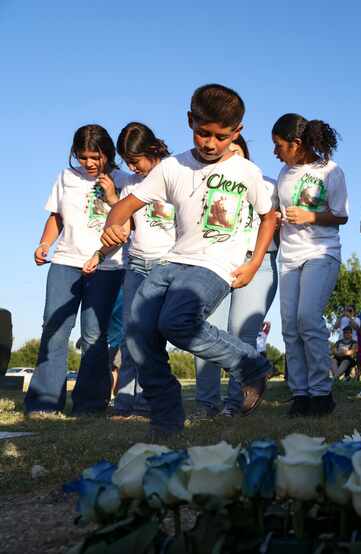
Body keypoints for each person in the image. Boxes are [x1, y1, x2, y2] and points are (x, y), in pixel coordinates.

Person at [100, 84, 276, 437]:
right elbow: (126, 205)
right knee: (137, 333)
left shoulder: (247, 173)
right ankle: (166, 420)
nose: (210, 143)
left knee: (177, 321)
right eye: (202, 133)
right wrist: (112, 224)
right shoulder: (171, 168)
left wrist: (255, 263)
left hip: (215, 265)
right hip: (173, 260)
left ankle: (251, 364)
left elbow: (269, 216)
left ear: (236, 133)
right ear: (190, 121)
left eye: (221, 136)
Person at [25, 125, 129, 415]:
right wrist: (45, 244)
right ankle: (44, 402)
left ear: (107, 153)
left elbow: (129, 223)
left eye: (95, 156)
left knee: (95, 335)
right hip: (65, 263)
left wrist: (113, 194)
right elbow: (56, 216)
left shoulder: (124, 180)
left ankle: (90, 404)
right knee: (54, 328)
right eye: (83, 157)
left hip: (107, 266)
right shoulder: (65, 177)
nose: (89, 163)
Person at [83, 122, 175, 416]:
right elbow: (126, 227)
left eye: (135, 161)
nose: (132, 168)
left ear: (152, 150)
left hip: (166, 263)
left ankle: (150, 400)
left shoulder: (176, 174)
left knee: (150, 336)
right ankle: (124, 402)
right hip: (135, 263)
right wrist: (100, 253)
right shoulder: (133, 185)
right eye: (128, 162)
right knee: (129, 336)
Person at [193, 135, 279, 418]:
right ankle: (206, 404)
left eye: (236, 150)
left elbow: (277, 226)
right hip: (217, 262)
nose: (231, 156)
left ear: (246, 152)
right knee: (203, 332)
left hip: (259, 262)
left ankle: (235, 404)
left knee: (242, 333)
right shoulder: (210, 183)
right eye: (225, 152)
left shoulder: (268, 184)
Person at [272, 113, 348, 418]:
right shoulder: (283, 173)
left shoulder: (331, 171)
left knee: (307, 318)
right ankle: (300, 394)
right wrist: (279, 217)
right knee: (289, 325)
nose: (275, 151)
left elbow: (341, 216)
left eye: (279, 145)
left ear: (297, 144)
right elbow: (280, 212)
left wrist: (310, 216)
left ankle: (321, 393)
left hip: (321, 252)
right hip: (289, 256)